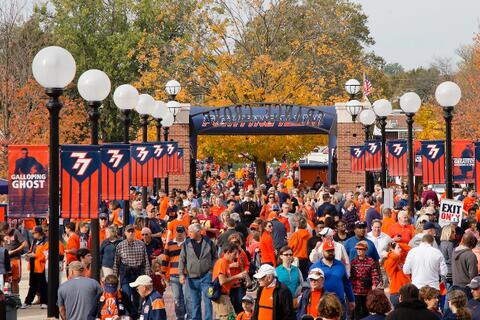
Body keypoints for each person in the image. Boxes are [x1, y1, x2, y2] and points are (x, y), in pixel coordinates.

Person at [179, 223, 217, 320]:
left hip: (207, 277)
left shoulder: (209, 242)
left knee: (208, 300)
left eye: (191, 231)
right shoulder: (186, 244)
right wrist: (181, 274)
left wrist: (212, 270)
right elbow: (182, 260)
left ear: (199, 232)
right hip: (192, 278)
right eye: (189, 231)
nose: (189, 233)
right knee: (195, 302)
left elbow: (215, 257)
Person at [310, 239, 355, 319]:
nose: (331, 253)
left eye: (332, 250)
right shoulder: (315, 267)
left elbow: (346, 283)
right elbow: (310, 286)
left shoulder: (340, 264)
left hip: (340, 303)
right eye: (328, 251)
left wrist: (351, 299)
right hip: (323, 305)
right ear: (323, 251)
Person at [113, 224, 150, 312]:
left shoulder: (141, 244)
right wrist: (115, 278)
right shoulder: (120, 246)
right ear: (125, 233)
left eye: (132, 231)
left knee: (138, 296)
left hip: (138, 272)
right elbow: (116, 263)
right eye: (129, 231)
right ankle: (128, 315)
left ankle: (136, 314)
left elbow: (146, 261)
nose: (131, 233)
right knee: (126, 295)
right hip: (126, 273)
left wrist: (147, 275)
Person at [212, 242, 248, 319]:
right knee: (227, 317)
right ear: (228, 252)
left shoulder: (226, 263)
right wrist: (237, 276)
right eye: (234, 254)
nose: (236, 256)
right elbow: (222, 281)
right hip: (221, 296)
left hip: (224, 296)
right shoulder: (222, 262)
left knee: (231, 317)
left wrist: (236, 281)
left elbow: (225, 281)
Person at [160, 225, 188, 320]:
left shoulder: (188, 244)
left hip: (186, 275)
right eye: (178, 231)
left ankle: (187, 316)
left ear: (185, 232)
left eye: (181, 231)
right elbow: (165, 259)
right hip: (174, 275)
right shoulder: (170, 244)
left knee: (187, 297)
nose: (179, 233)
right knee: (177, 298)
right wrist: (162, 273)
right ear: (175, 232)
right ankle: (180, 317)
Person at [350, 241, 382, 319]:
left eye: (361, 249)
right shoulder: (353, 262)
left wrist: (374, 285)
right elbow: (350, 275)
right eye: (358, 249)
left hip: (367, 290)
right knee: (356, 309)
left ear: (365, 250)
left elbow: (374, 274)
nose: (359, 251)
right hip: (356, 290)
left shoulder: (370, 261)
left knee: (366, 309)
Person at [21, 225, 48, 309]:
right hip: (33, 266)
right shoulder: (34, 240)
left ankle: (44, 302)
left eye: (34, 233)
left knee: (42, 285)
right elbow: (31, 250)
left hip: (41, 267)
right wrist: (27, 255)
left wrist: (34, 255)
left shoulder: (46, 241)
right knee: (32, 285)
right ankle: (27, 302)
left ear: (39, 233)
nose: (32, 235)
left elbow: (45, 255)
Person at [383, 241, 411, 307]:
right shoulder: (388, 262)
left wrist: (399, 244)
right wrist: (388, 254)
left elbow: (410, 250)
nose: (400, 249)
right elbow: (395, 257)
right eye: (398, 248)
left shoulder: (401, 258)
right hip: (397, 293)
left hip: (407, 291)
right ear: (391, 250)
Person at [452, 232, 478, 299]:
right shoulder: (470, 255)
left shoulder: (454, 251)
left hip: (455, 285)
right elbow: (473, 275)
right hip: (466, 287)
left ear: (462, 240)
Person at [3, 222, 27, 295]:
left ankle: (16, 298)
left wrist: (14, 251)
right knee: (5, 279)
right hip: (5, 260)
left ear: (8, 228)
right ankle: (6, 298)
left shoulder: (16, 232)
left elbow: (25, 244)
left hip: (15, 259)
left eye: (5, 231)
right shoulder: (3, 234)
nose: (4, 233)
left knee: (15, 280)